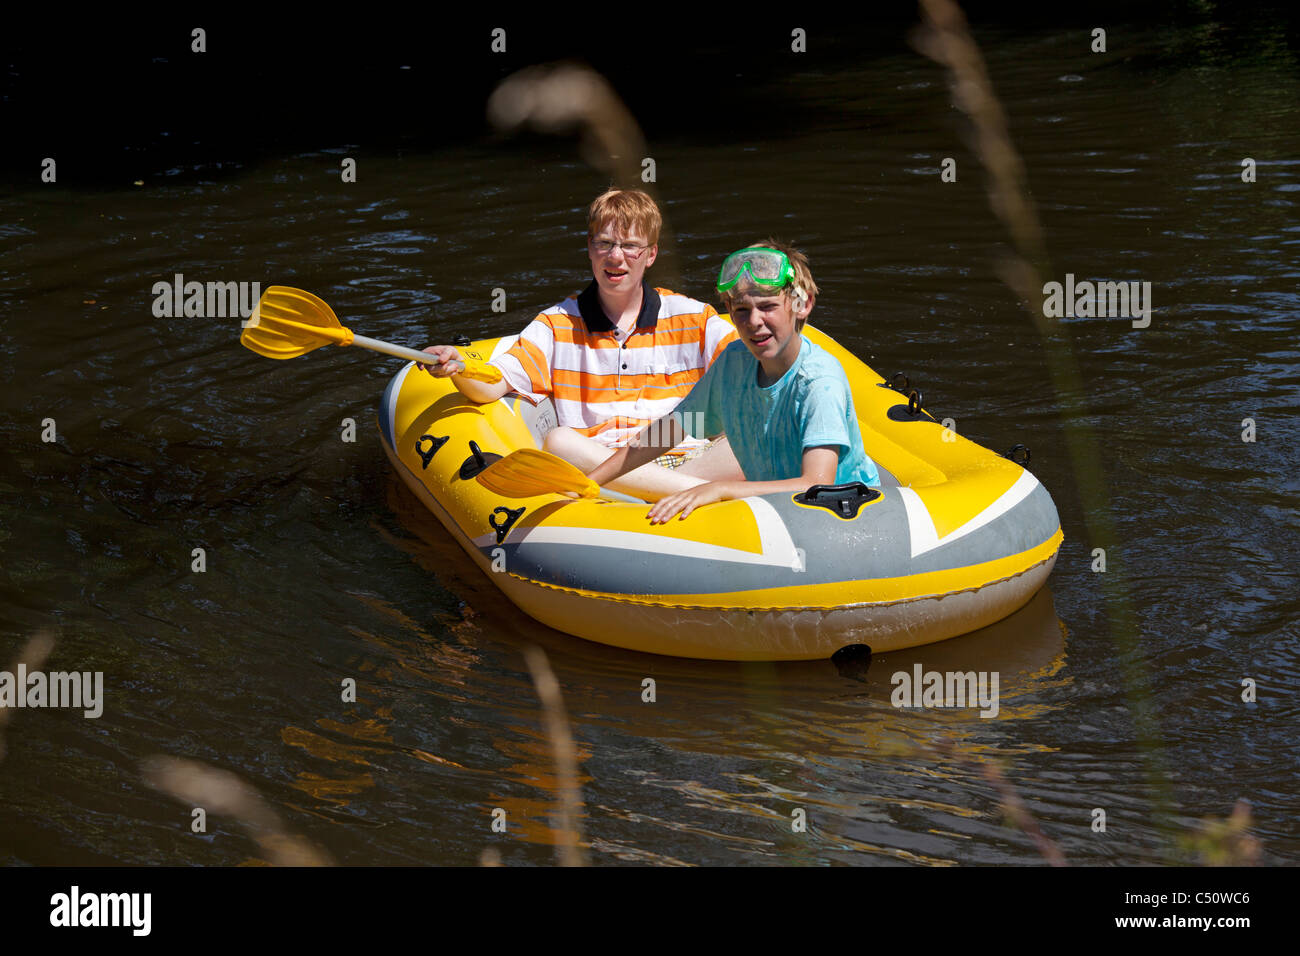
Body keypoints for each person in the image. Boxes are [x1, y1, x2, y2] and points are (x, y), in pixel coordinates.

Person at [418, 188, 742, 498]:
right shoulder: (556, 325)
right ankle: (688, 494)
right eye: (605, 243)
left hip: (691, 461)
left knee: (750, 437)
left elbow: (754, 371)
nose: (616, 257)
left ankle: (669, 491)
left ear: (651, 254)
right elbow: (490, 386)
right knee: (560, 442)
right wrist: (455, 365)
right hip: (602, 464)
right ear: (590, 248)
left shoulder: (694, 318)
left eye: (631, 246)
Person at [587, 240, 880, 523]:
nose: (754, 321)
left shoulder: (818, 381)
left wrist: (721, 490)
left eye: (767, 307)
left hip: (844, 519)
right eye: (741, 310)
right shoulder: (735, 362)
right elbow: (673, 429)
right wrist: (591, 481)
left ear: (802, 305)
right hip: (773, 512)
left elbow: (817, 484)